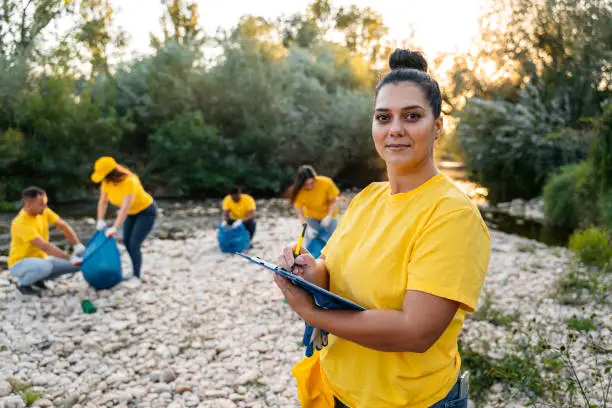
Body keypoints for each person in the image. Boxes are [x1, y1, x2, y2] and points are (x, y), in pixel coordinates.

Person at [275, 49, 491, 408]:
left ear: (438, 126)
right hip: (337, 391)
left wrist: (313, 314)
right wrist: (309, 272)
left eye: (411, 116)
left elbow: (416, 331)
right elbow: (333, 269)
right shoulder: (369, 197)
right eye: (383, 117)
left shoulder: (452, 215)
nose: (395, 129)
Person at [8, 187, 85, 295]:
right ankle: (23, 284)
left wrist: (78, 246)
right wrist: (70, 258)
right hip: (19, 264)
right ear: (28, 204)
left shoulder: (44, 211)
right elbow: (45, 247)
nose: (45, 207)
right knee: (46, 267)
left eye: (45, 203)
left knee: (77, 265)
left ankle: (37, 280)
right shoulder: (20, 223)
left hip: (40, 259)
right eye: (41, 204)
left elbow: (63, 226)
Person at [91, 156, 156, 281]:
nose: (103, 179)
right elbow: (103, 201)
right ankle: (133, 272)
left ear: (111, 173)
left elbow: (125, 207)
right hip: (132, 213)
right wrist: (100, 219)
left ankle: (136, 276)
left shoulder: (130, 181)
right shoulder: (107, 183)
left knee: (134, 243)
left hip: (146, 212)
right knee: (126, 241)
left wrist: (115, 227)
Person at [290, 165, 340, 245]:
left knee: (333, 241)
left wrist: (329, 216)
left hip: (329, 215)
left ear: (315, 178)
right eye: (306, 184)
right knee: (312, 240)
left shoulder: (326, 182)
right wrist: (307, 227)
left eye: (312, 183)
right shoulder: (298, 192)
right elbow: (299, 212)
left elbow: (332, 201)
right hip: (312, 217)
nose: (310, 186)